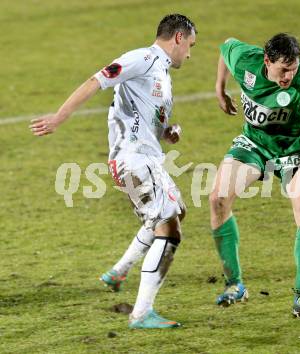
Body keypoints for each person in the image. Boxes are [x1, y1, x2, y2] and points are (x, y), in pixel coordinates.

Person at [30, 14, 197, 329]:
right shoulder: (143, 59)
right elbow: (97, 80)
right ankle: (141, 314)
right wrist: (58, 117)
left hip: (147, 157)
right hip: (133, 161)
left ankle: (120, 271)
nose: (189, 54)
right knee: (168, 228)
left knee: (177, 212)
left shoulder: (159, 71)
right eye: (189, 45)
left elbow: (141, 117)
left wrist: (167, 132)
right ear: (178, 38)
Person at [210, 33, 300, 318]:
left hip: (295, 149)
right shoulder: (246, 61)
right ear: (267, 61)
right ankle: (234, 285)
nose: (290, 75)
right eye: (283, 69)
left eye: (294, 67)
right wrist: (219, 88)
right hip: (255, 143)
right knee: (217, 198)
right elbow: (225, 47)